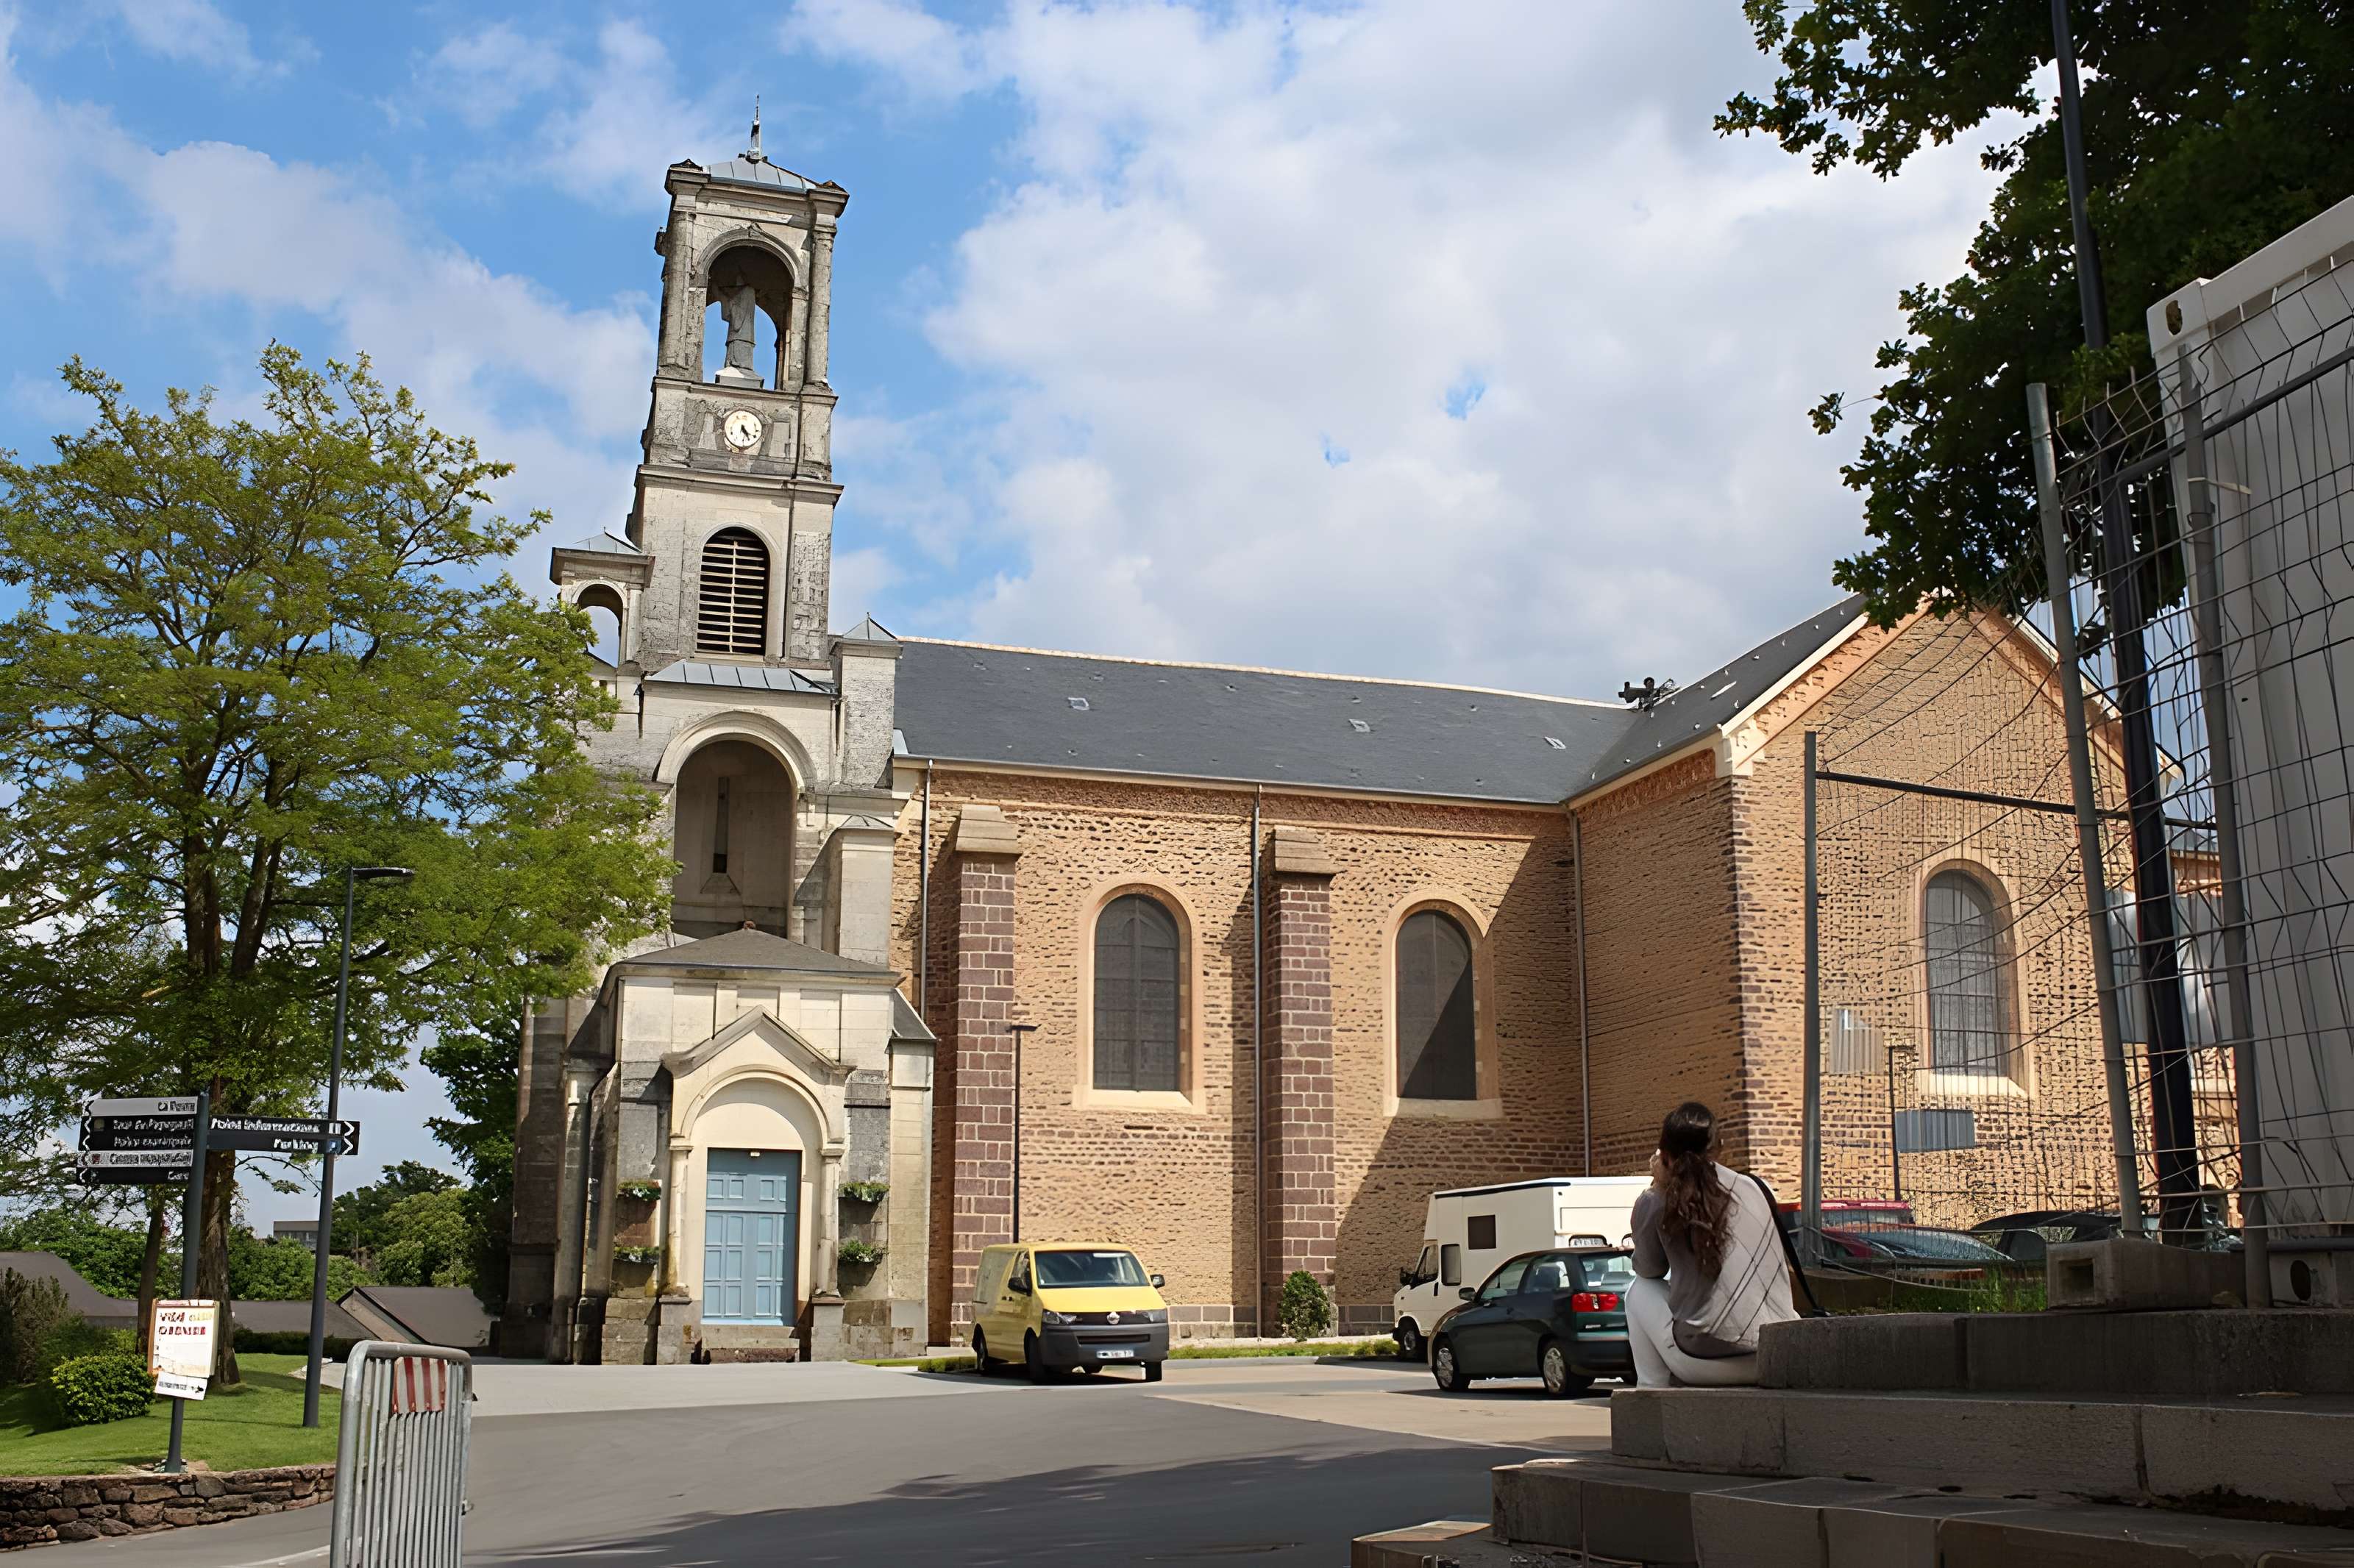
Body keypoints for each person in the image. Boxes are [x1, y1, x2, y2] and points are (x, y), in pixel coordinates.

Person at [1626, 1101, 1796, 1388]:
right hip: (1778, 1353)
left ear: (1664, 1154)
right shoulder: (1756, 1187)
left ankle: (1650, 1394)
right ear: (1720, 1146)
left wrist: (1657, 1186)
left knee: (1638, 1290)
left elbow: (1648, 1270)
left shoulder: (1658, 1200)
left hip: (1704, 1363)